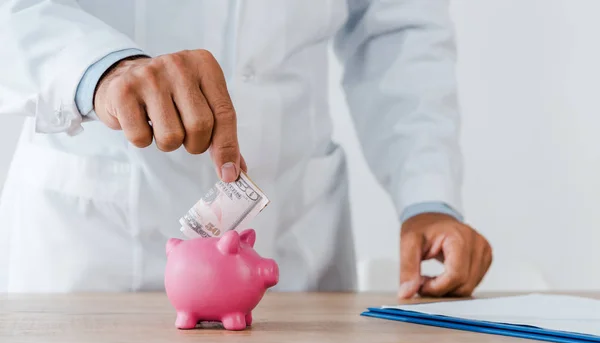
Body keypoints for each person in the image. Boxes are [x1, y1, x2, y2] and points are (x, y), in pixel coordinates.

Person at [0, 0, 492, 296]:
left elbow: (398, 29)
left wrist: (426, 196)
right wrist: (101, 69)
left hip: (297, 236)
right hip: (93, 253)